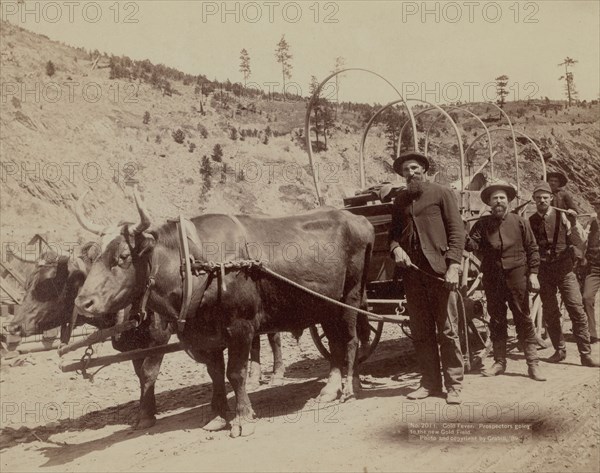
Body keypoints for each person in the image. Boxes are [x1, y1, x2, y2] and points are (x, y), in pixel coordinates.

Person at [388, 151, 465, 404]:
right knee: (421, 332)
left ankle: (454, 385)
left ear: (424, 169)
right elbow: (394, 234)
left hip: (440, 271)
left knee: (447, 330)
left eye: (414, 168)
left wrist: (453, 265)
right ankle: (429, 383)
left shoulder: (441, 192)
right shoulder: (400, 200)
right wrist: (396, 248)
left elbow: (456, 230)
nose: (410, 173)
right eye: (405, 171)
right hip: (412, 274)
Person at [467, 181, 545, 381]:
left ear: (508, 201)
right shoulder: (482, 224)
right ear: (490, 203)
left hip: (517, 276)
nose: (499, 201)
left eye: (502, 197)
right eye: (495, 198)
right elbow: (471, 244)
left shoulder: (520, 222)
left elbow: (532, 249)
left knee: (522, 317)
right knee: (497, 319)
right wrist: (460, 233)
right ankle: (500, 362)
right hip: (493, 278)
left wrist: (534, 273)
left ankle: (533, 364)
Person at [528, 182, 599, 367]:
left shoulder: (564, 216)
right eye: (538, 198)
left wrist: (573, 222)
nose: (542, 200)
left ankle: (585, 355)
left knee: (576, 309)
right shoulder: (531, 221)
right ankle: (559, 351)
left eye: (545, 197)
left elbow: (579, 240)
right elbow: (530, 247)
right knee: (550, 313)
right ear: (534, 200)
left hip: (565, 271)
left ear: (551, 198)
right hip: (544, 272)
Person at [582, 198, 600, 343]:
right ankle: (592, 333)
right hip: (594, 268)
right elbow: (581, 240)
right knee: (587, 297)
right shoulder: (590, 223)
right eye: (598, 206)